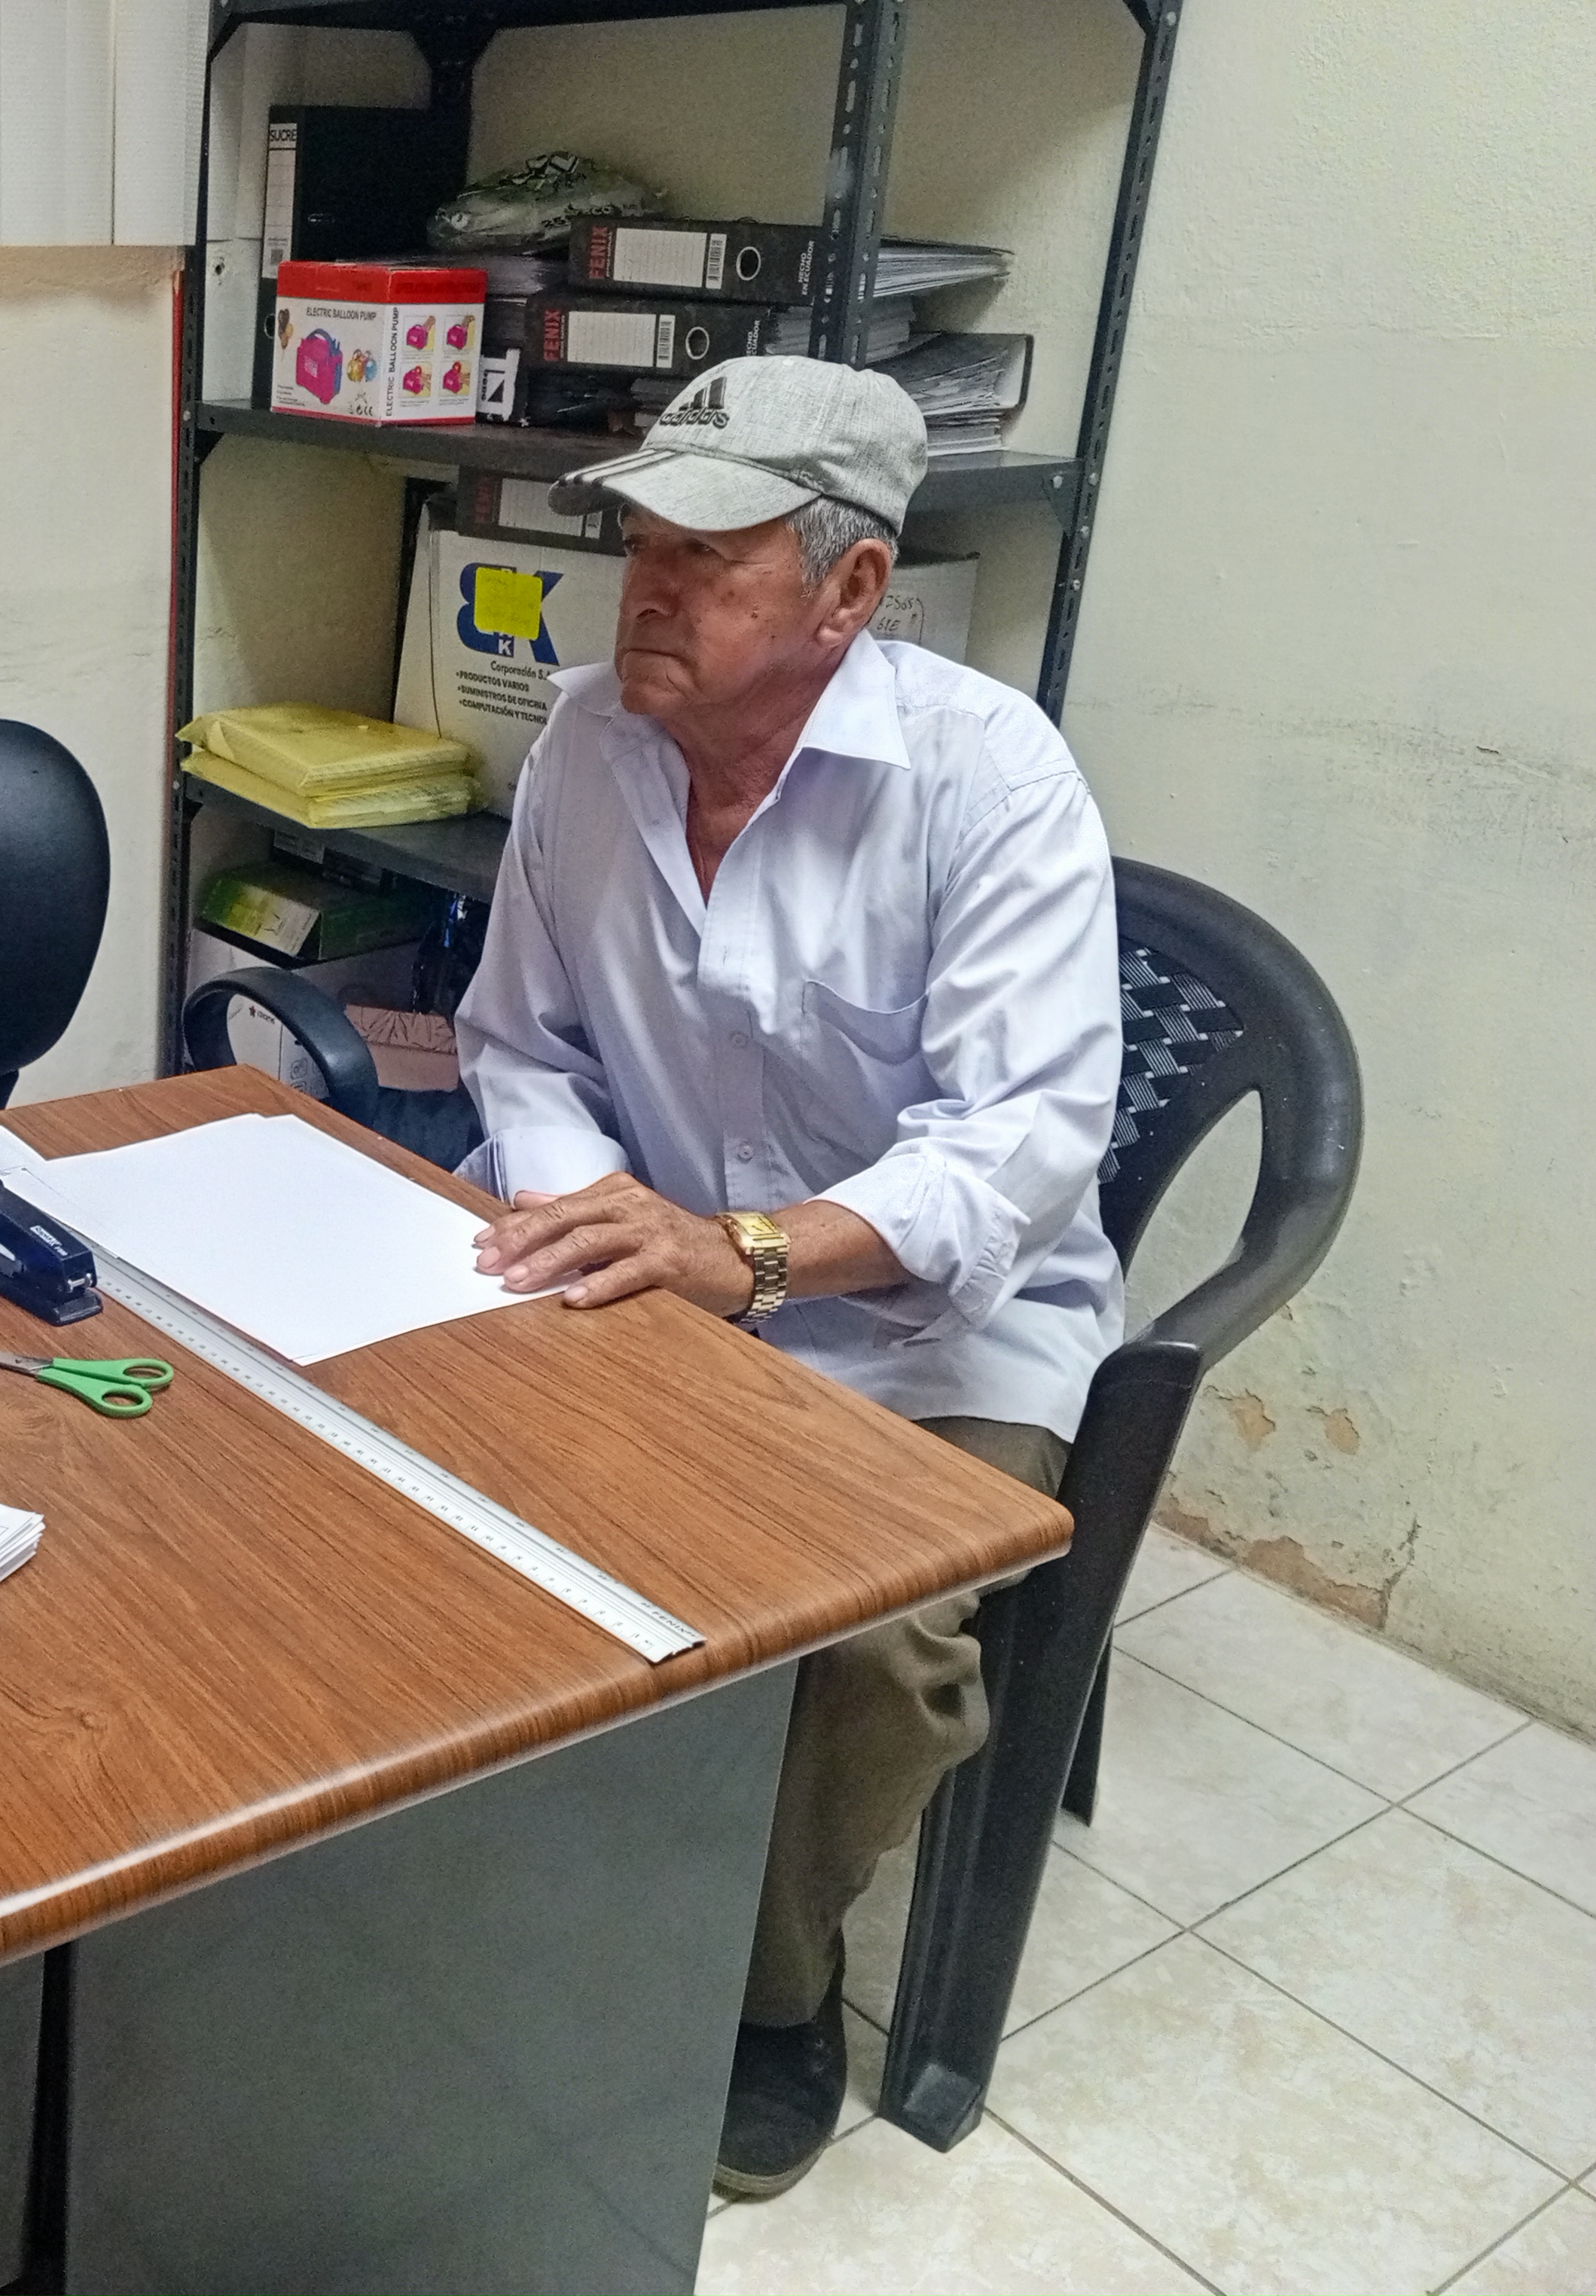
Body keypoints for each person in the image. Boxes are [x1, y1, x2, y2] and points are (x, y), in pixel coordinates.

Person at [458, 356, 1123, 2198]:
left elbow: (1019, 1142)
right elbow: (519, 1043)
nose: (649, 592)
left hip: (927, 1327)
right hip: (656, 1273)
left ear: (851, 587)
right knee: (416, 1472)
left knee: (869, 1643)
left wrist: (742, 1257)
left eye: (708, 555)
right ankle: (501, 1874)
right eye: (640, 548)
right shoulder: (585, 746)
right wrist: (581, 1215)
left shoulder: (988, 776)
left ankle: (769, 1995)